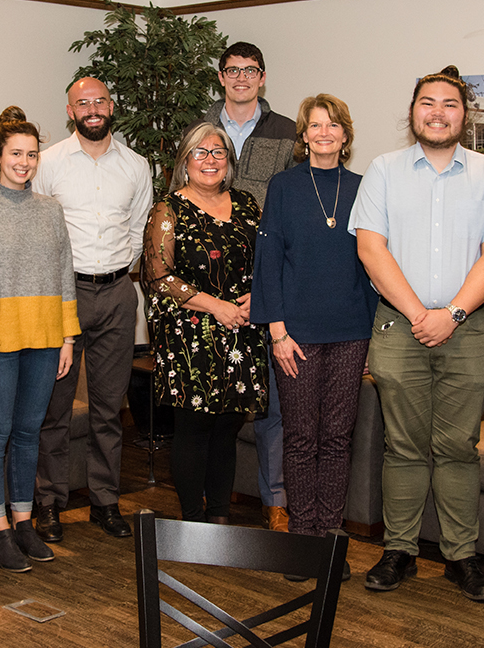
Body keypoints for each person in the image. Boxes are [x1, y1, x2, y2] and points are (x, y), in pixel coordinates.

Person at [352, 66, 484, 600]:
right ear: (413, 110)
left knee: (457, 447)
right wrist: (422, 312)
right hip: (399, 326)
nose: (438, 112)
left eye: (449, 103)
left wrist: (454, 314)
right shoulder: (383, 169)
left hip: (466, 330)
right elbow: (370, 249)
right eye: (428, 102)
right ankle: (399, 550)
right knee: (402, 446)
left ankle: (461, 558)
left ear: (463, 115)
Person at [251, 94, 376, 578]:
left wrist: (372, 339)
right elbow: (268, 263)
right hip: (295, 335)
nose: (324, 133)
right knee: (301, 438)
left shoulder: (366, 188)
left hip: (350, 333)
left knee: (337, 439)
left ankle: (329, 542)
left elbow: (373, 265)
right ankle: (303, 542)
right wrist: (277, 331)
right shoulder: (283, 187)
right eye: (314, 126)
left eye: (333, 125)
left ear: (346, 134)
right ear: (303, 135)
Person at [0, 106, 80, 573]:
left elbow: (64, 274)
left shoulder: (50, 210)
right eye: (16, 153)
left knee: (30, 433)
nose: (25, 162)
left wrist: (68, 338)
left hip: (47, 339)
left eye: (32, 154)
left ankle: (24, 522)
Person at [32, 77, 151, 542]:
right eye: (83, 103)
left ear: (112, 105)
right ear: (70, 110)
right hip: (65, 294)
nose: (92, 108)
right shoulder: (49, 163)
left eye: (99, 100)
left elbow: (139, 227)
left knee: (109, 406)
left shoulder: (136, 166)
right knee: (55, 408)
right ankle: (50, 504)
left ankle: (104, 501)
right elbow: (39, 228)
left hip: (119, 293)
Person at [143, 122, 268, 524]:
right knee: (194, 428)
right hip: (189, 335)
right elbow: (158, 276)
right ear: (185, 161)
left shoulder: (248, 203)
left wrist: (259, 295)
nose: (209, 160)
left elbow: (268, 260)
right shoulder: (168, 208)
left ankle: (219, 515)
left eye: (218, 152)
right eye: (200, 152)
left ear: (229, 162)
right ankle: (193, 518)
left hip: (241, 332)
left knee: (228, 426)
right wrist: (216, 306)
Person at [201, 41, 295, 531]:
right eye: (232, 70)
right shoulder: (202, 131)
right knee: (213, 406)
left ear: (263, 77)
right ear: (221, 77)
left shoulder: (288, 133)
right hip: (211, 296)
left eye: (250, 70)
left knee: (273, 405)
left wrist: (270, 287)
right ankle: (209, 508)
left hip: (268, 285)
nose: (241, 77)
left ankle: (274, 502)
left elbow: (294, 215)